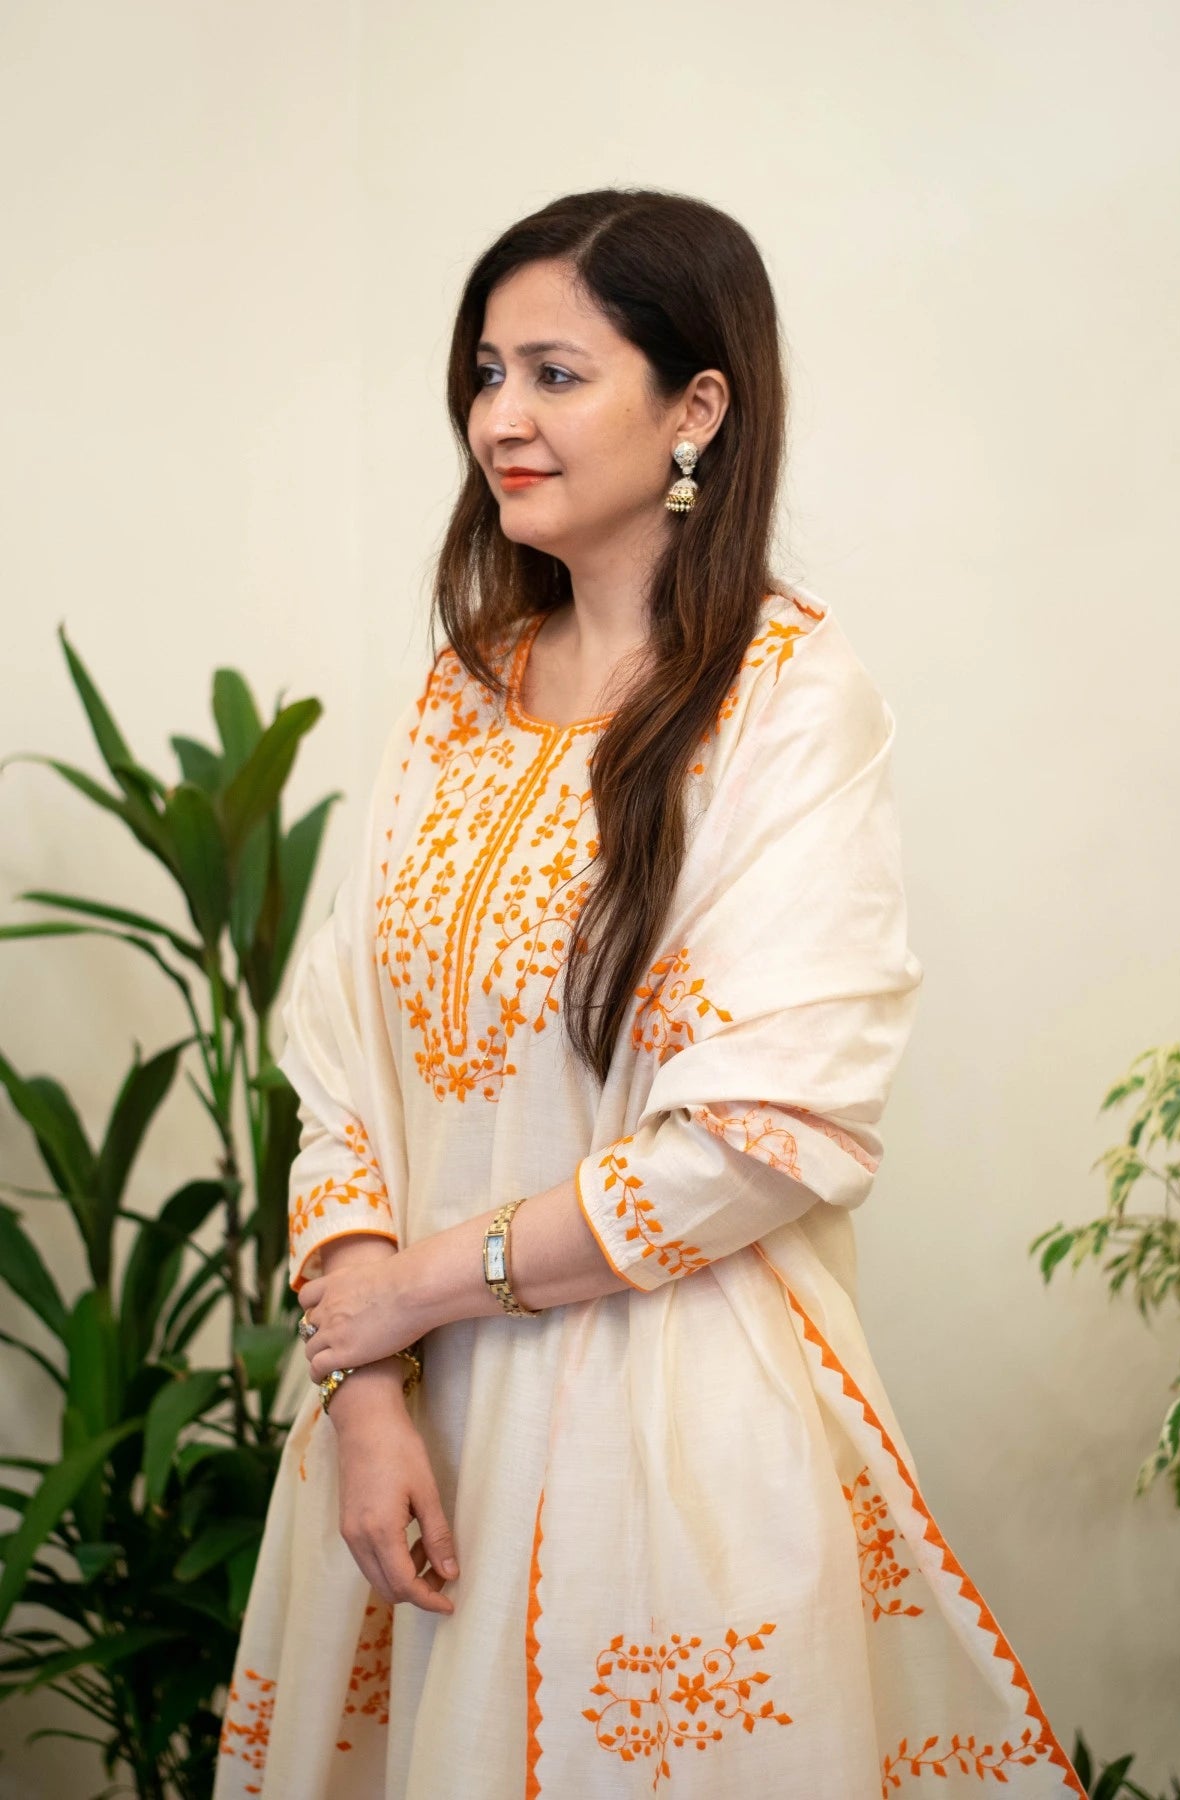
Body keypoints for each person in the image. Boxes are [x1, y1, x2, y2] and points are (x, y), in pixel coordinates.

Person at [215, 187, 1084, 1799]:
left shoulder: (792, 703)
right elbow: (340, 1057)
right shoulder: (462, 687)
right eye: (485, 372)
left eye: (555, 372)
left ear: (697, 407)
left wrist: (419, 1290)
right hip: (413, 1432)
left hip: (664, 1432)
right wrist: (368, 1388)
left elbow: (768, 1128)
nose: (500, 419)